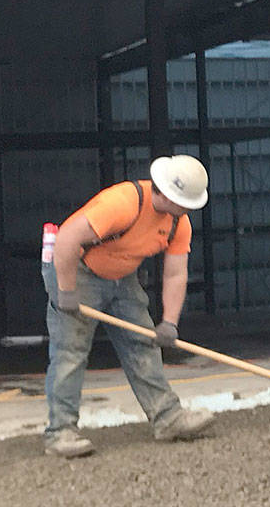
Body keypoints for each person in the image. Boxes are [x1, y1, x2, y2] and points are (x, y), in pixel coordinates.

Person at [42, 155, 215, 458]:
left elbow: (176, 273)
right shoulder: (122, 203)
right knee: (70, 351)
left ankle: (168, 418)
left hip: (123, 276)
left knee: (143, 343)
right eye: (185, 203)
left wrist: (169, 322)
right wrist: (66, 290)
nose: (188, 209)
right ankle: (60, 433)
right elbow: (67, 238)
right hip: (77, 270)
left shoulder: (178, 223)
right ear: (167, 195)